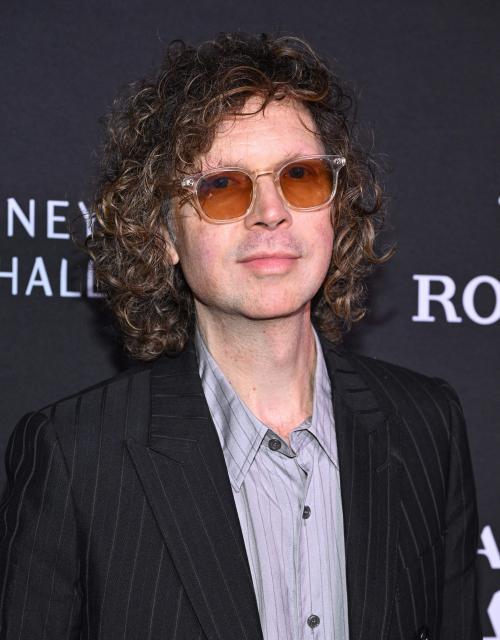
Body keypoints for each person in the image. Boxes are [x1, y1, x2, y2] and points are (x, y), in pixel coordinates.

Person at [0, 32, 480, 640]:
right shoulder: (75, 457)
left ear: (335, 208)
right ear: (163, 236)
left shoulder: (426, 426)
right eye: (222, 186)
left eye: (301, 176)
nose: (271, 211)